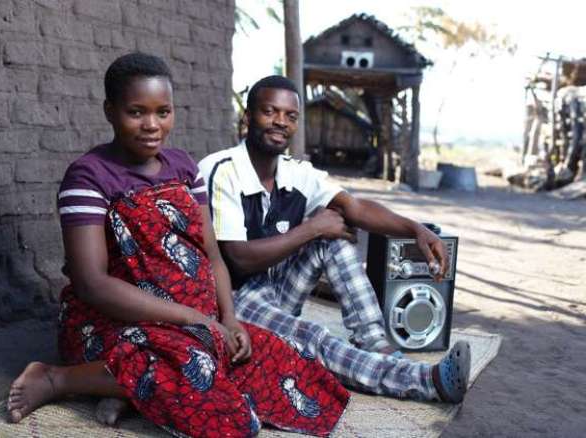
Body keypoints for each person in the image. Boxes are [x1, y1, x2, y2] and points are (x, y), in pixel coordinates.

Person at [6, 54, 350, 438]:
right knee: (198, 376)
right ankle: (59, 379)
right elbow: (91, 284)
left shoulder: (183, 167)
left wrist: (229, 320)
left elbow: (212, 255)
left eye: (163, 112)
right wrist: (195, 319)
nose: (152, 125)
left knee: (289, 362)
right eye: (136, 112)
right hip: (116, 324)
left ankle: (125, 391)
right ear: (109, 110)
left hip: (198, 324)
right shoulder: (89, 176)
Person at [198, 75, 471, 404]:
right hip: (229, 299)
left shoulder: (296, 172)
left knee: (335, 236)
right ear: (248, 117)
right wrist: (312, 228)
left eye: (290, 115)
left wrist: (415, 229)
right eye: (269, 111)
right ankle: (424, 381)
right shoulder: (221, 170)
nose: (280, 122)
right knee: (311, 335)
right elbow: (238, 257)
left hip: (275, 291)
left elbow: (355, 208)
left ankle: (377, 344)